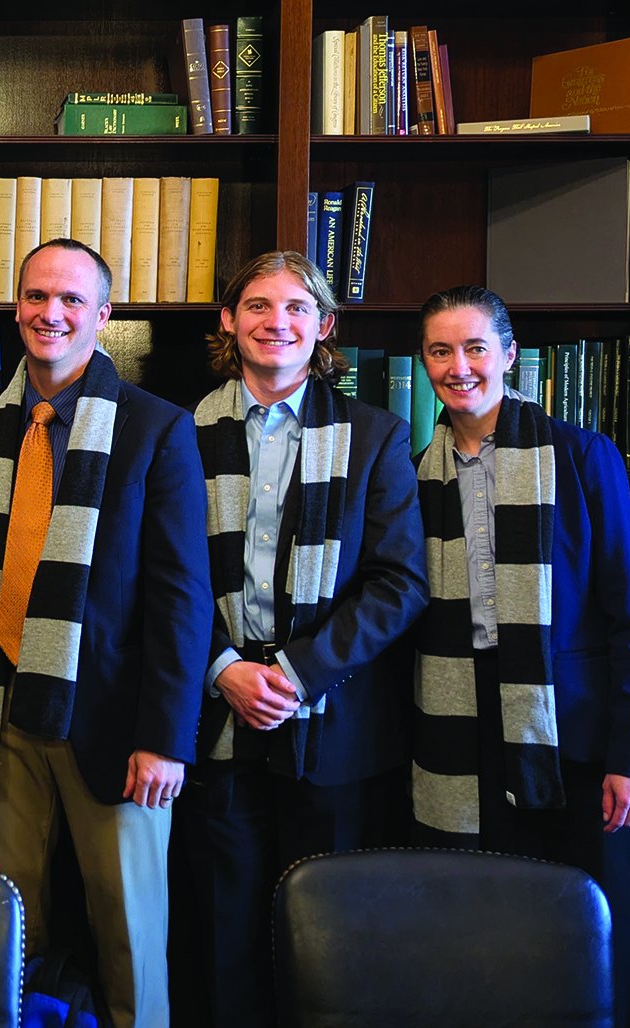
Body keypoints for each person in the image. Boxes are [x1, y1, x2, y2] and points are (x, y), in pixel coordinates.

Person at [412, 285, 630, 1027]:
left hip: (574, 733)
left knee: (610, 934)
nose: (459, 366)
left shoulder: (580, 456)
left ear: (509, 354)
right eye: (440, 351)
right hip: (464, 732)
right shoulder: (414, 471)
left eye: (476, 347)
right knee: (495, 934)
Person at [0, 238, 213, 1028]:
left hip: (111, 718)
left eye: (71, 300)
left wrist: (167, 737)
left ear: (103, 315)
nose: (51, 314)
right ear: (17, 307)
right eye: (37, 297)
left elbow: (182, 596)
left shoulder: (157, 429)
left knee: (129, 935)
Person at [182, 251, 428, 1028]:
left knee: (332, 942)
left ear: (323, 326)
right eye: (256, 305)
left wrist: (293, 671)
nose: (274, 322)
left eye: (296, 308)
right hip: (213, 723)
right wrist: (223, 669)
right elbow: (157, 584)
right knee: (224, 942)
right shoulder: (178, 433)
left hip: (334, 729)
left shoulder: (376, 436)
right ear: (229, 321)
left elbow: (400, 582)